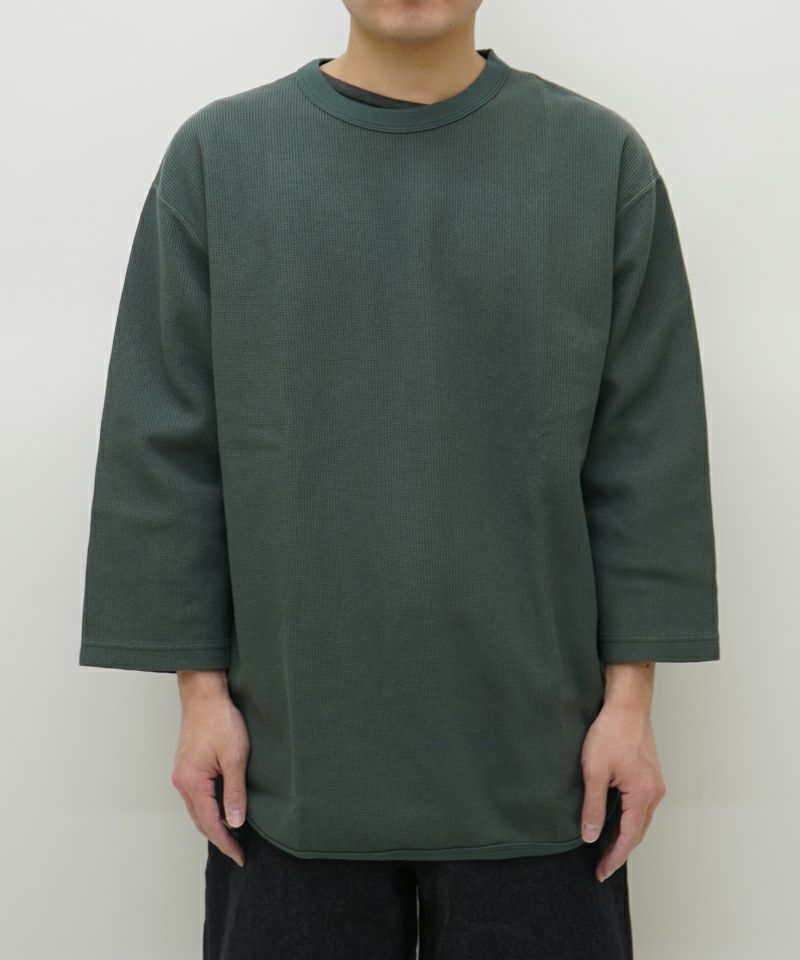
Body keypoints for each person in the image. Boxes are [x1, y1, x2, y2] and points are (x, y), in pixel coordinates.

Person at [78, 1, 721, 957]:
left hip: (542, 771)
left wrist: (631, 707)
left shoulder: (598, 160)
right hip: (290, 767)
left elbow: (646, 451)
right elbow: (166, 443)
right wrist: (199, 696)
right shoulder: (221, 157)